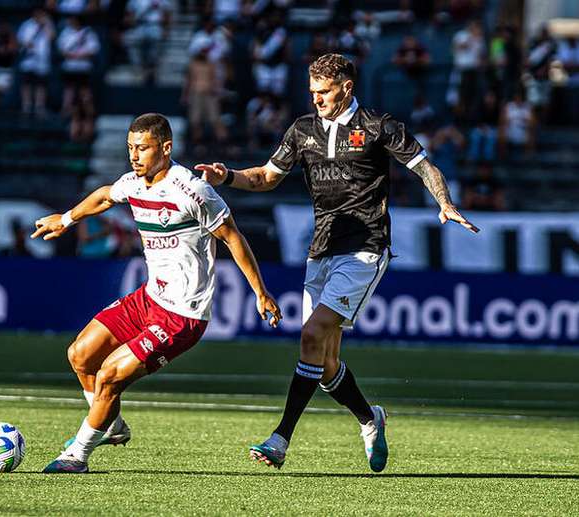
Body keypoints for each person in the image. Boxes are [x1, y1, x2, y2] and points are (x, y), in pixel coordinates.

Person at [195, 53, 479, 473]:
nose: (317, 99)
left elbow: (425, 166)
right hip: (321, 249)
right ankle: (370, 418)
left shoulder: (379, 126)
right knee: (324, 362)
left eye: (324, 91)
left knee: (311, 334)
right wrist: (228, 176)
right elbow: (266, 178)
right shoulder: (302, 130)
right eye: (312, 92)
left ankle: (280, 438)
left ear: (346, 87)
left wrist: (445, 201)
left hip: (366, 247)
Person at [31, 113, 282, 473]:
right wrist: (66, 219)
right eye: (131, 148)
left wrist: (261, 292)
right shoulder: (133, 182)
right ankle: (111, 424)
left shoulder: (192, 190)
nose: (135, 156)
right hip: (149, 298)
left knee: (108, 377)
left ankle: (77, 456)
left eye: (143, 148)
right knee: (80, 355)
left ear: (166, 148)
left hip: (183, 315)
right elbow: (104, 197)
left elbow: (232, 237)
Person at [17, 7, 56, 117]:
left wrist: (45, 24)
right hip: (28, 59)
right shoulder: (26, 24)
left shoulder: (48, 24)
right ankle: (26, 106)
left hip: (42, 59)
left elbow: (52, 37)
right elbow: (20, 41)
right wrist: (27, 44)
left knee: (41, 84)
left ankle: (39, 106)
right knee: (26, 83)